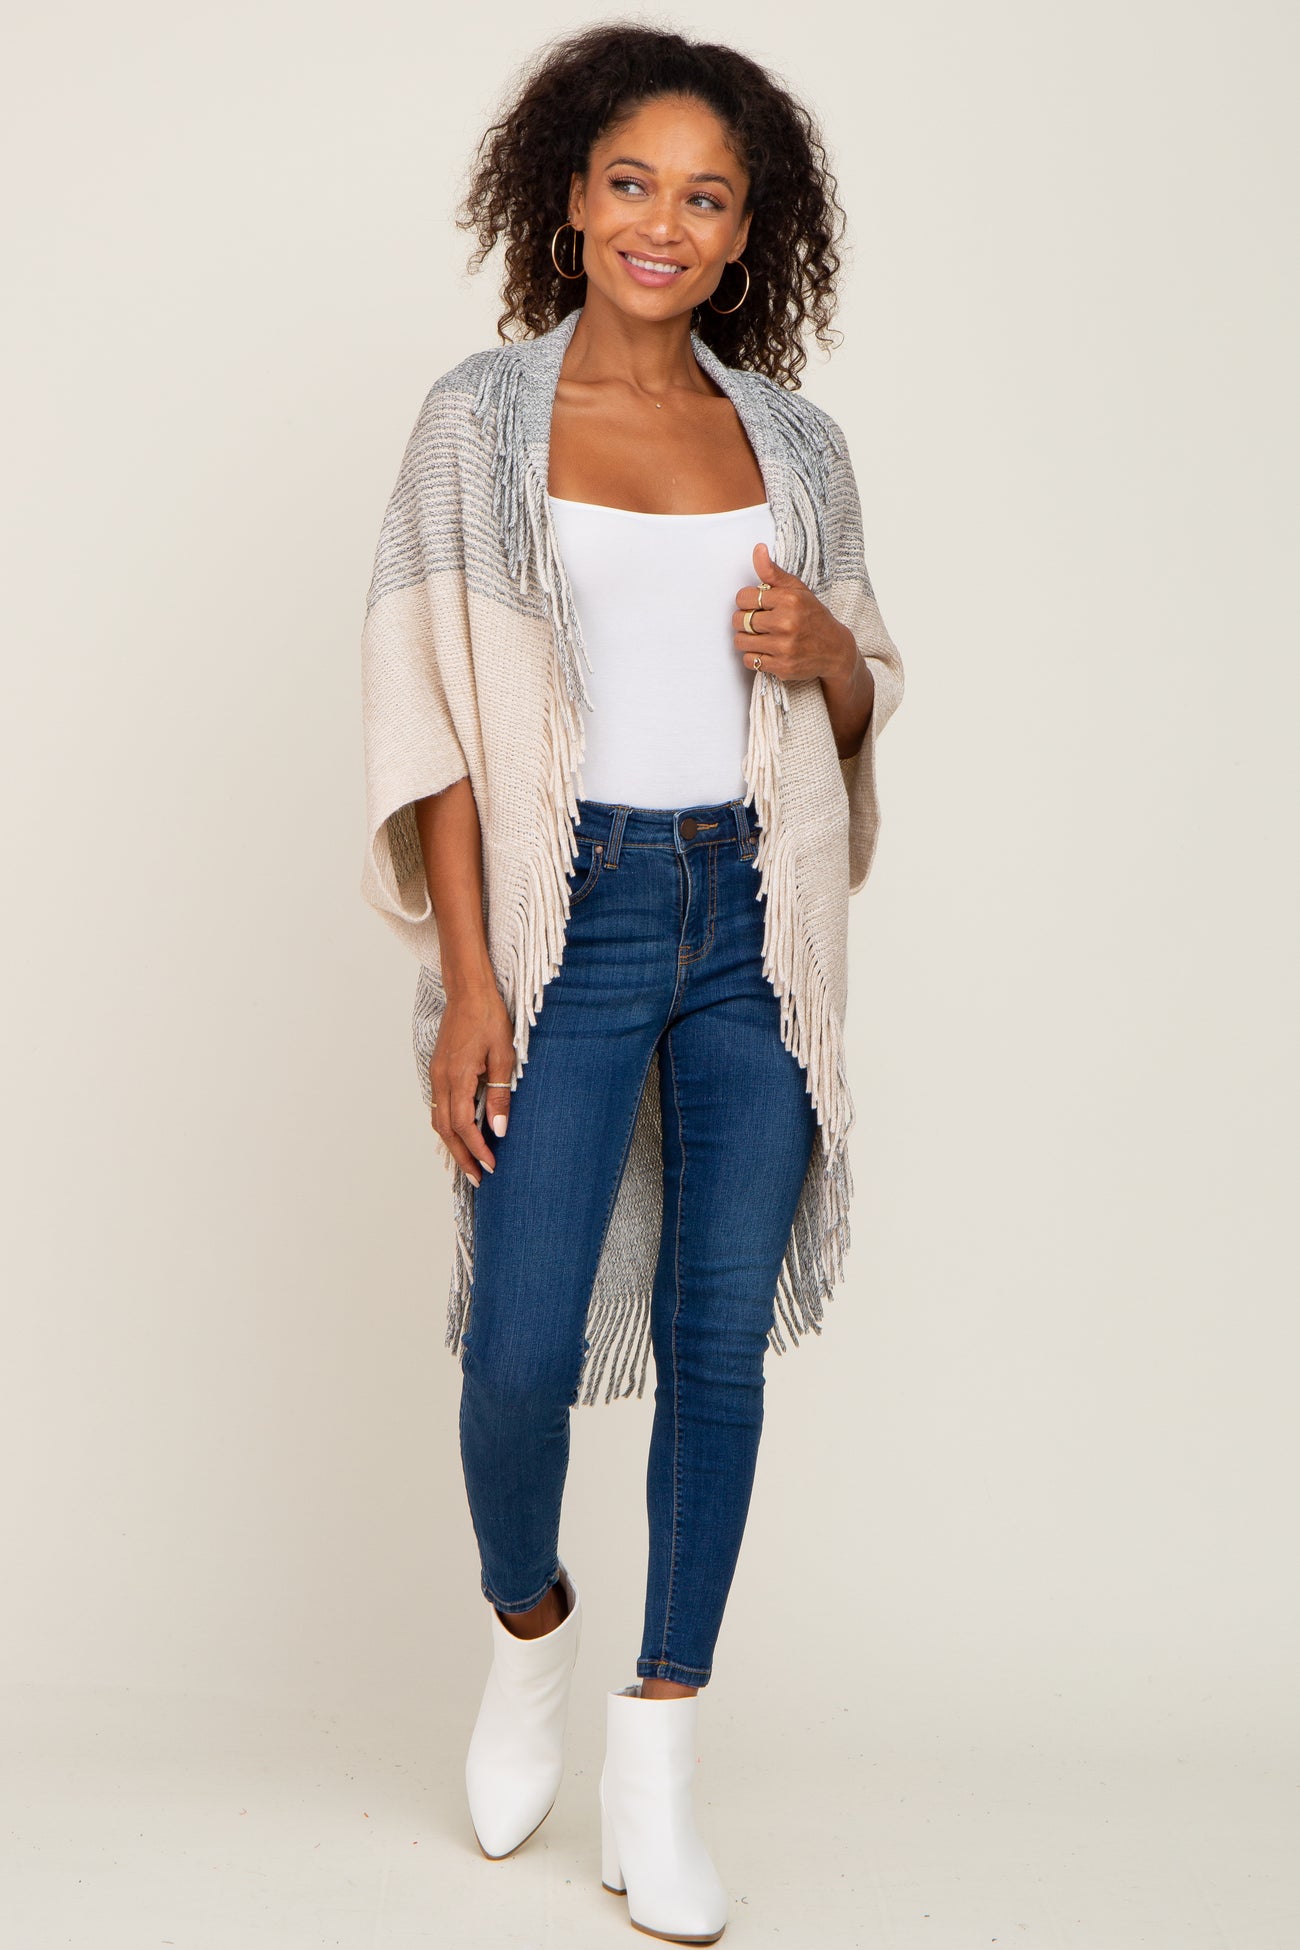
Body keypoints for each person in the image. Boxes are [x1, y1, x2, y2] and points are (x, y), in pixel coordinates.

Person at [358, 25, 905, 1943]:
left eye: (707, 196)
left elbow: (858, 696)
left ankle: (659, 1757)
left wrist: (827, 651)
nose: (664, 222)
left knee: (716, 1341)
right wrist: (473, 980)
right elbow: (429, 718)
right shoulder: (479, 424)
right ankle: (533, 1629)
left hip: (755, 919)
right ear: (570, 200)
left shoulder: (796, 445)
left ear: (749, 234)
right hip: (565, 918)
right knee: (518, 1347)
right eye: (631, 183)